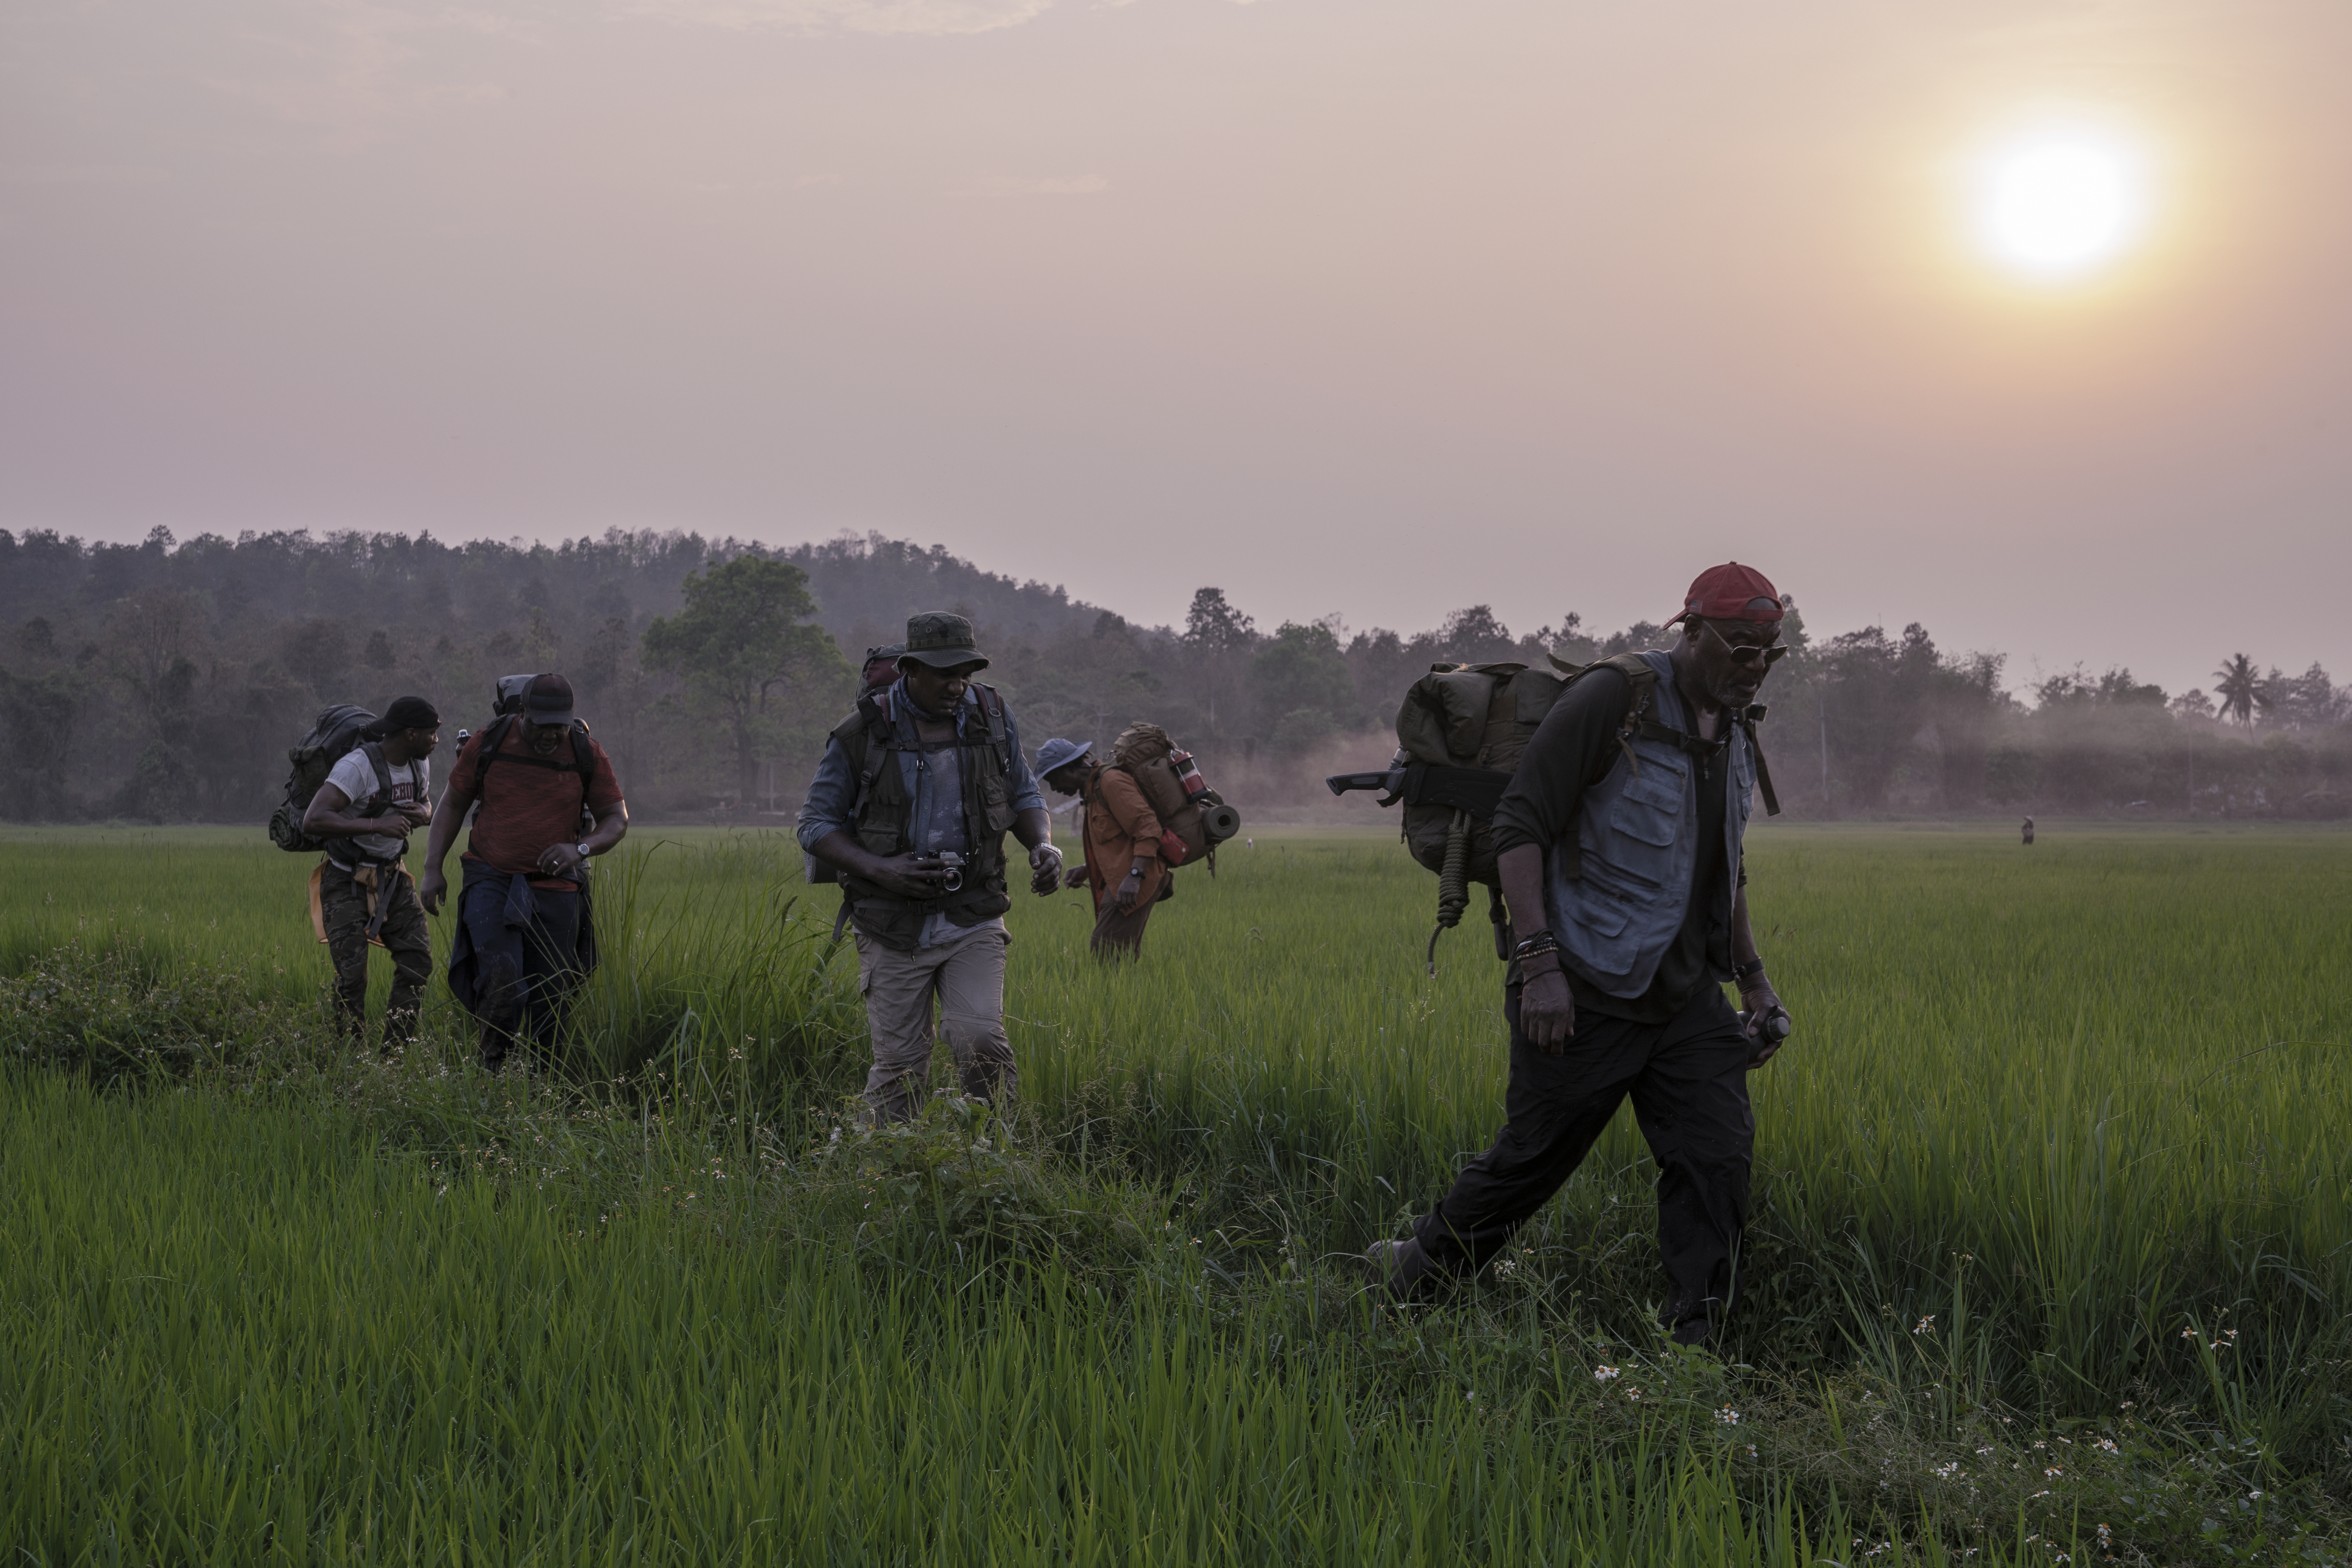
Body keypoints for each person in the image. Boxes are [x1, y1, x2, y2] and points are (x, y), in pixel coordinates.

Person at [1365, 562, 1795, 1348]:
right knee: (1531, 1165)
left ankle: (1696, 1351)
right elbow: (1520, 825)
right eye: (1740, 646)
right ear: (1690, 630)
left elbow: (1724, 863)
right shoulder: (1615, 698)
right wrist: (1540, 968)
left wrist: (1756, 983)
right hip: (1586, 985)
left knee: (1717, 1165)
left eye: (1771, 648)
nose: (1755, 663)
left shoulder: (1737, 724)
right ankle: (1407, 1284)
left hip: (1688, 998)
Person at [798, 612, 1062, 1123]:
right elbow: (814, 825)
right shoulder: (861, 733)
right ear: (910, 670)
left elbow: (1023, 792)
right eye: (944, 673)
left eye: (965, 672)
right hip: (890, 923)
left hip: (974, 912)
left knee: (979, 1036)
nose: (957, 685)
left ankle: (992, 1157)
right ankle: (889, 1172)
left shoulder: (990, 715)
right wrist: (880, 869)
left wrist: (1043, 847)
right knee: (900, 1066)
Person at [419, 673, 629, 1071]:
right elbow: (451, 805)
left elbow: (616, 820)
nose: (550, 736)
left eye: (559, 728)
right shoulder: (489, 743)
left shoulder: (587, 753)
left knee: (553, 994)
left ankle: (541, 1084)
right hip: (491, 876)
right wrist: (433, 869)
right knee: (502, 978)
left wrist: (579, 849)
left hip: (557, 887)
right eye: (540, 726)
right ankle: (494, 1072)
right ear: (522, 713)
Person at [301, 695, 442, 1052]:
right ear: (410, 733)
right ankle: (350, 1059)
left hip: (393, 877)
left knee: (418, 962)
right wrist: (378, 825)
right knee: (352, 978)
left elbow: (426, 803)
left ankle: (394, 1056)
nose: (436, 741)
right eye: (431, 734)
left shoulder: (418, 764)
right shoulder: (356, 767)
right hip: (345, 879)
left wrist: (424, 814)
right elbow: (314, 819)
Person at [1036, 736, 1170, 961]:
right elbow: (1117, 842)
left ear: (1069, 768)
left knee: (1106, 954)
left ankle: (1116, 995)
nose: (1055, 787)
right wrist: (1088, 869)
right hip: (1122, 880)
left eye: (1053, 779)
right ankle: (1121, 995)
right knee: (1115, 956)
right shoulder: (1093, 791)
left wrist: (1135, 876)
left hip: (1133, 880)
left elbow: (1148, 828)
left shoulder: (1111, 782)